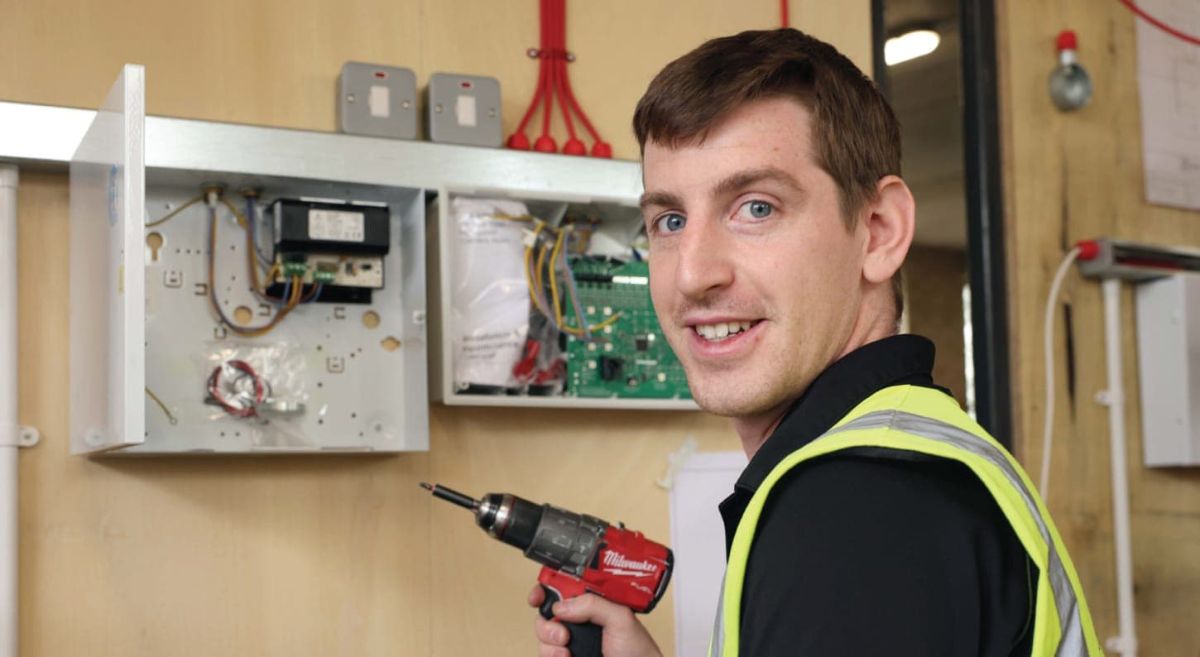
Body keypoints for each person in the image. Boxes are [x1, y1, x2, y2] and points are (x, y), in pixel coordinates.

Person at [530, 28, 1102, 657]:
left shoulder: (859, 514)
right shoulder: (907, 459)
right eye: (669, 221)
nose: (693, 274)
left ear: (879, 232)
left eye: (756, 208)